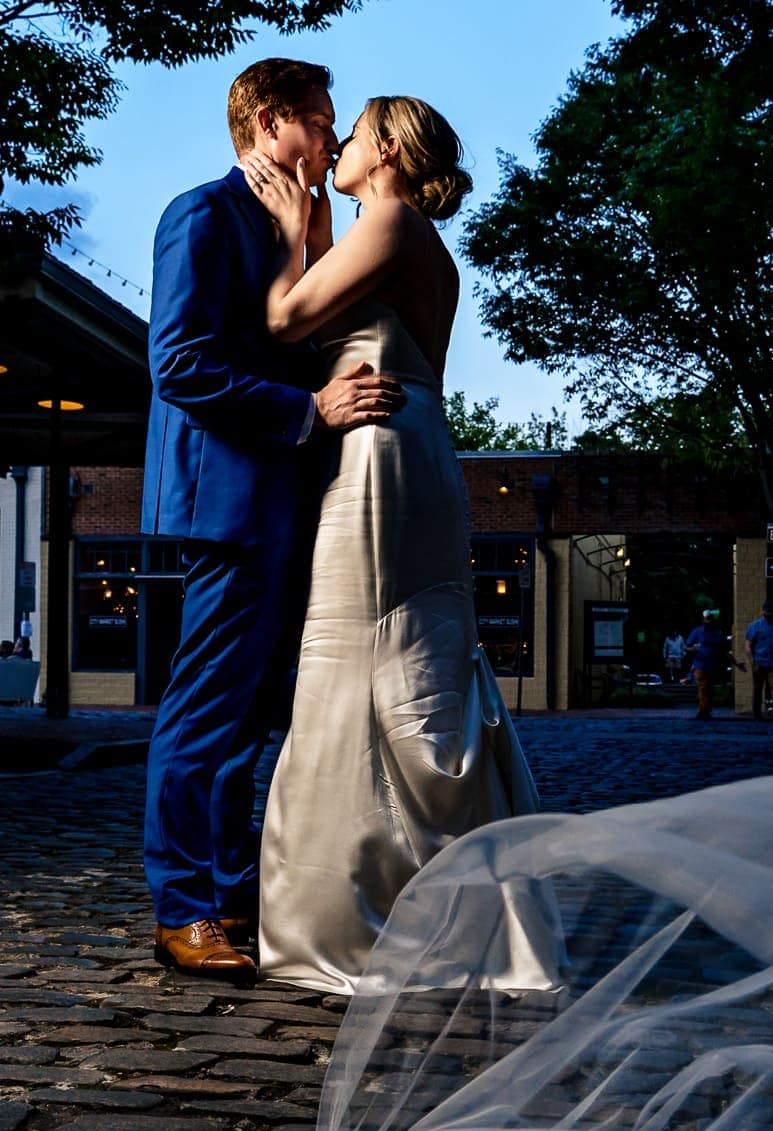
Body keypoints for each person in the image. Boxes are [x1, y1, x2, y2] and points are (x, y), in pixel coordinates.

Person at [238, 92, 543, 993]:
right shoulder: (398, 237)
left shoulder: (395, 222)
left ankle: (355, 917)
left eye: (354, 133)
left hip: (380, 458)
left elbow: (287, 320)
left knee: (358, 658)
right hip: (406, 446)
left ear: (389, 150)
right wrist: (326, 227)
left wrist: (297, 229)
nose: (338, 144)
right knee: (398, 662)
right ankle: (416, 898)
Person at [141, 59, 412, 978]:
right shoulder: (200, 215)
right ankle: (183, 908)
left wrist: (312, 233)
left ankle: (225, 894)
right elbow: (179, 366)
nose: (332, 138)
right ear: (268, 122)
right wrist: (309, 412)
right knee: (205, 712)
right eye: (319, 121)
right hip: (228, 504)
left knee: (255, 717)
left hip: (294, 506)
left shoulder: (296, 220)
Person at [738, 601, 773, 719]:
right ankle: (757, 712)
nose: (769, 614)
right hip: (760, 661)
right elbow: (748, 645)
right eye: (767, 612)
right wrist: (752, 661)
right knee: (758, 688)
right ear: (763, 612)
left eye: (771, 612)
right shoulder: (755, 626)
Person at [683, 610, 727, 720]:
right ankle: (703, 711)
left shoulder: (717, 633)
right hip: (700, 664)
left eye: (710, 619)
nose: (709, 621)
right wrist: (693, 649)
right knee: (703, 687)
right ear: (703, 620)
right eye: (707, 619)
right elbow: (686, 647)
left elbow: (723, 650)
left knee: (709, 689)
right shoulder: (697, 632)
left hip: (713, 665)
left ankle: (706, 709)